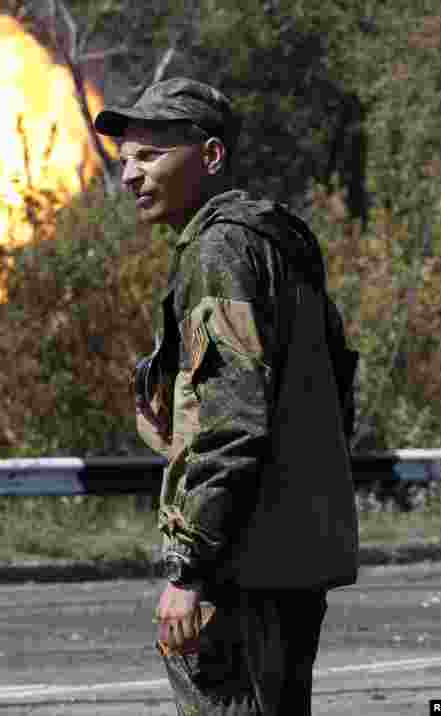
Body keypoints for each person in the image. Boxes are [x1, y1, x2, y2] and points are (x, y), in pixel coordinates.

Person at [93, 78, 360, 715]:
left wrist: (189, 570)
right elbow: (336, 385)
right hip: (296, 555)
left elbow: (232, 423)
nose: (130, 174)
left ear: (210, 157)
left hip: (238, 569)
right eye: (125, 158)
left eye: (151, 156)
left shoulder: (218, 250)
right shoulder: (280, 243)